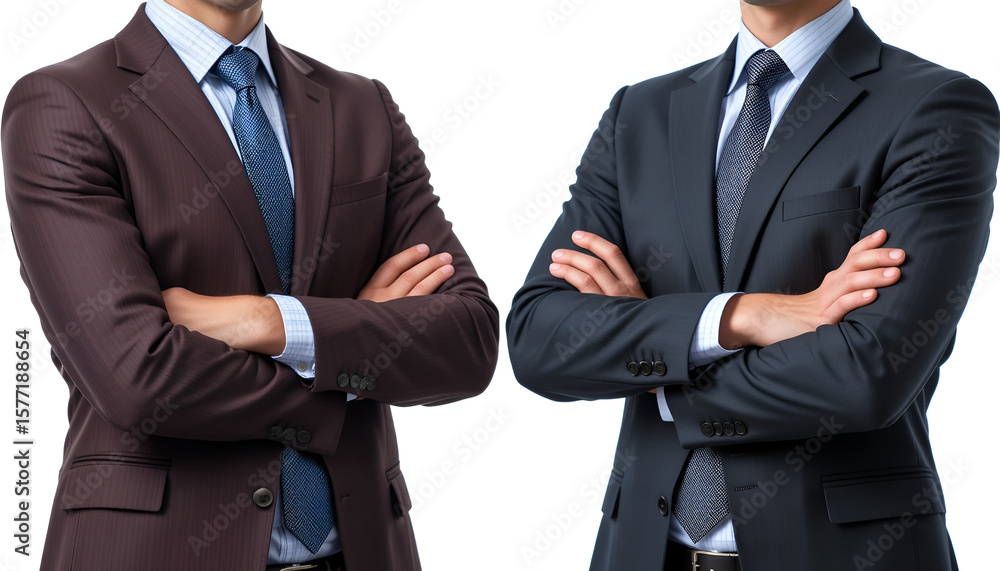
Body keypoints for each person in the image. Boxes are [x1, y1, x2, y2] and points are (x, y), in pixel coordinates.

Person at [2, 0, 499, 569]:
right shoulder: (64, 103)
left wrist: (270, 322)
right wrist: (350, 353)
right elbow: (137, 378)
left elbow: (470, 340)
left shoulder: (363, 107)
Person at [507, 0, 998, 569]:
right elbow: (538, 339)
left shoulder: (934, 108)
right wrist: (742, 316)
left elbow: (868, 372)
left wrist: (656, 361)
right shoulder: (640, 113)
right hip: (642, 551)